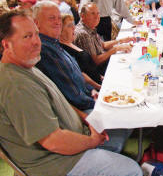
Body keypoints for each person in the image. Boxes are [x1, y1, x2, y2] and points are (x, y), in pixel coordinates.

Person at [0, 10, 143, 176]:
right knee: (131, 170)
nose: (36, 42)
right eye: (27, 37)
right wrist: (91, 141)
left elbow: (60, 101)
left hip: (73, 139)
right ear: (6, 45)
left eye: (36, 35)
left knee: (124, 121)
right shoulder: (16, 85)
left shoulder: (26, 66)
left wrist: (87, 119)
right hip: (58, 163)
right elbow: (54, 142)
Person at [74, 2, 134, 75]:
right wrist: (115, 49)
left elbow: (102, 45)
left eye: (98, 13)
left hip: (102, 64)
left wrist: (121, 40)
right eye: (92, 13)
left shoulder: (89, 27)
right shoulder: (83, 33)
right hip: (99, 72)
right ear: (82, 16)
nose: (97, 17)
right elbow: (95, 61)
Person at [59, 14, 102, 87]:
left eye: (73, 24)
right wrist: (99, 86)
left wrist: (101, 77)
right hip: (92, 88)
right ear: (60, 30)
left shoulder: (71, 42)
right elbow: (81, 74)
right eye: (69, 25)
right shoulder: (63, 49)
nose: (74, 27)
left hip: (98, 80)